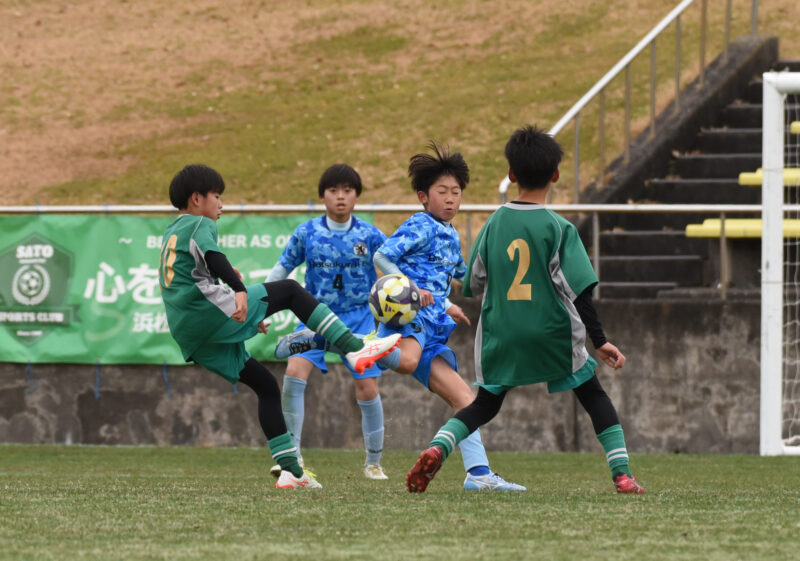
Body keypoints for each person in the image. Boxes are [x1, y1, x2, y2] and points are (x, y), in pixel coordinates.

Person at [405, 126, 644, 494]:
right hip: (551, 333)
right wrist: (599, 340)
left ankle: (439, 446)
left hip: (502, 333)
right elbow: (581, 291)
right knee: (593, 394)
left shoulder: (493, 224)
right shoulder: (559, 227)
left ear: (511, 174)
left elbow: (473, 283)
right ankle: (623, 475)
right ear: (556, 175)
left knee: (484, 404)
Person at [157, 164, 400, 490]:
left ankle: (291, 472)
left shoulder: (172, 230)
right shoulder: (201, 222)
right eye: (217, 196)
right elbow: (214, 258)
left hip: (190, 333)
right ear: (197, 198)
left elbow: (195, 276)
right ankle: (355, 348)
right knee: (290, 291)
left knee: (266, 385)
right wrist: (239, 290)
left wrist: (236, 295)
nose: (221, 204)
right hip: (207, 315)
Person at [372, 143, 525, 491]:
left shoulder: (451, 234)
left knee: (467, 401)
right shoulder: (420, 224)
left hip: (434, 329)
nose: (451, 199)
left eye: (456, 192)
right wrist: (410, 288)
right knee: (407, 361)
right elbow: (382, 257)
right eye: (442, 192)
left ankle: (479, 475)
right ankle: (367, 345)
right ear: (423, 197)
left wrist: (453, 301)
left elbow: (462, 276)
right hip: (409, 317)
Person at [265, 163, 390, 480]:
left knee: (367, 386)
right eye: (333, 190)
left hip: (359, 320)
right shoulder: (306, 233)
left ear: (357, 196)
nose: (340, 196)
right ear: (322, 196)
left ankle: (373, 462)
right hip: (314, 316)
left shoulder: (369, 235)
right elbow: (281, 270)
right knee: (294, 371)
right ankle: (292, 456)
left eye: (347, 190)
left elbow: (393, 267)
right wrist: (260, 308)